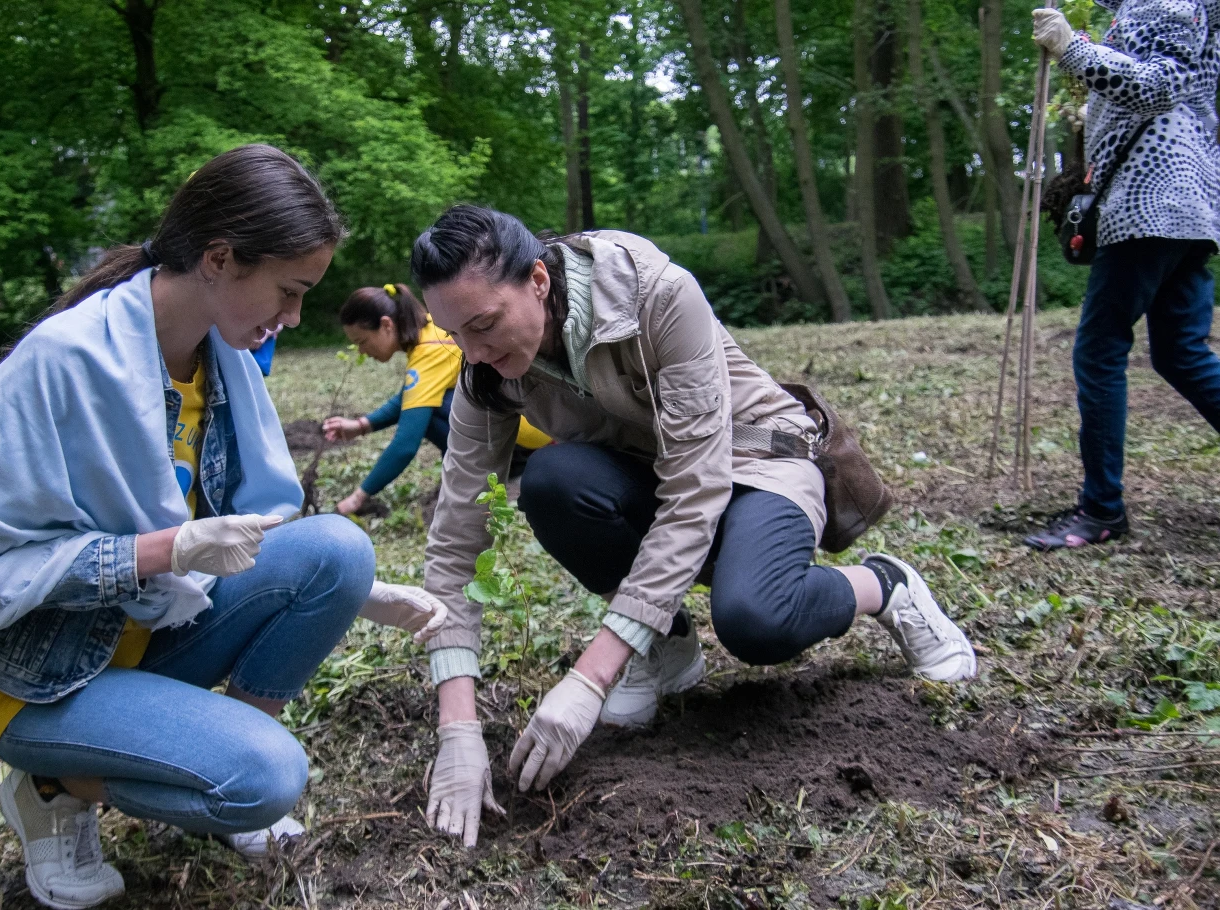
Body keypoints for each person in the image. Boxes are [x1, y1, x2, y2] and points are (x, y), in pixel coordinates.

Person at [0, 145, 447, 910]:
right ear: (218, 258)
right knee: (266, 779)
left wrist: (365, 593)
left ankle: (197, 750)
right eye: (289, 290)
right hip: (44, 677)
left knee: (340, 549)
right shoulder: (60, 363)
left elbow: (248, 533)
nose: (294, 316)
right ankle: (51, 787)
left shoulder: (224, 367)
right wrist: (165, 548)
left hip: (148, 639)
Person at [409, 205, 978, 848]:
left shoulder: (657, 296)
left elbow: (693, 493)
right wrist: (456, 729)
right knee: (553, 482)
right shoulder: (485, 372)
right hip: (651, 472)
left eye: (485, 325)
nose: (476, 353)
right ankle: (667, 647)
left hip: (756, 463)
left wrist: (589, 677)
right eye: (459, 337)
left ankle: (885, 586)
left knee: (755, 620)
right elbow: (455, 539)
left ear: (538, 280)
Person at [1026, 0, 1220, 549]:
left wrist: (1073, 49)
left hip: (1150, 204)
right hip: (1181, 207)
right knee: (1181, 352)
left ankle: (1102, 511)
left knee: (1099, 350)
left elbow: (1155, 86)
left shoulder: (1169, 1)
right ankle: (1101, 505)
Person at [322, 283, 551, 516]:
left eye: (362, 341)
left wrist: (357, 497)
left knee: (428, 410)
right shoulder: (433, 329)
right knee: (425, 402)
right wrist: (362, 426)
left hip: (529, 437)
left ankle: (507, 468)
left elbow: (405, 445)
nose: (361, 351)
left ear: (386, 325)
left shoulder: (427, 353)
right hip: (538, 423)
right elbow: (410, 396)